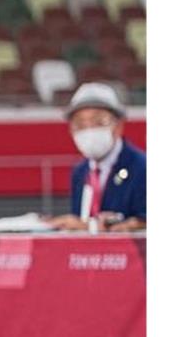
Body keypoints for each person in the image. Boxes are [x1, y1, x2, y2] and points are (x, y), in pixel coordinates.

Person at [49, 83, 146, 232]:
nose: (89, 130)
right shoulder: (80, 171)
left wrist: (93, 226)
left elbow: (143, 221)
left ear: (118, 125)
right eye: (80, 124)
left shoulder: (142, 167)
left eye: (98, 121)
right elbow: (79, 220)